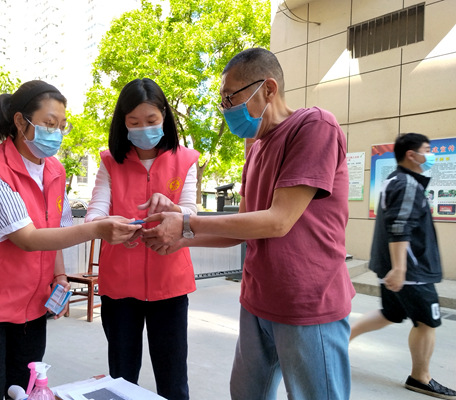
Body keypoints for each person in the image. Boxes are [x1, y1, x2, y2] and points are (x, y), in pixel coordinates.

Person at [142, 47, 354, 399]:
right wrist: (183, 238)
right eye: (223, 100)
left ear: (268, 89)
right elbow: (242, 226)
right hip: (258, 300)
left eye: (231, 98)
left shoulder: (314, 125)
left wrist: (185, 222)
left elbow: (278, 222)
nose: (226, 109)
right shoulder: (255, 148)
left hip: (306, 302)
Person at [0, 80, 140, 400]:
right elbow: (28, 238)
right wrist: (98, 229)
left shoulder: (55, 170)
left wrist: (59, 277)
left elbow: (56, 231)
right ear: (21, 121)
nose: (57, 133)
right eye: (49, 124)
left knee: (27, 391)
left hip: (30, 308)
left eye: (62, 125)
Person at [85, 78, 199, 400]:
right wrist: (108, 225)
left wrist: (174, 209)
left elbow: (191, 216)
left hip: (170, 284)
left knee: (173, 379)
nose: (143, 129)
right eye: (134, 122)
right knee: (121, 378)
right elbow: (94, 215)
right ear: (123, 123)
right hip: (120, 286)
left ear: (165, 117)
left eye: (151, 121)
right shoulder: (109, 162)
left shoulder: (186, 159)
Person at [350, 133, 456, 399]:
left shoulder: (393, 181)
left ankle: (335, 343)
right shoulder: (407, 184)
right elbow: (399, 227)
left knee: (389, 313)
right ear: (411, 154)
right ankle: (420, 378)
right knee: (427, 323)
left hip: (398, 269)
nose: (430, 155)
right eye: (427, 150)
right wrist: (400, 268)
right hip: (411, 272)